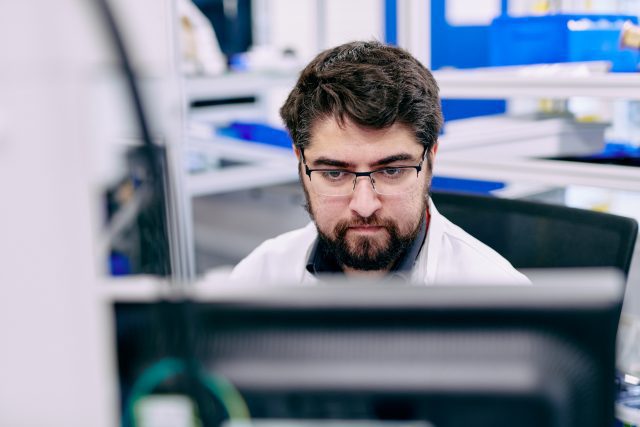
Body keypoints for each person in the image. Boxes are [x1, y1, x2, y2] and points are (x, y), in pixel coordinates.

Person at [230, 40, 529, 285]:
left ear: (431, 160)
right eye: (334, 173)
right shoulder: (259, 277)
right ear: (300, 163)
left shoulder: (501, 297)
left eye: (392, 171)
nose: (364, 205)